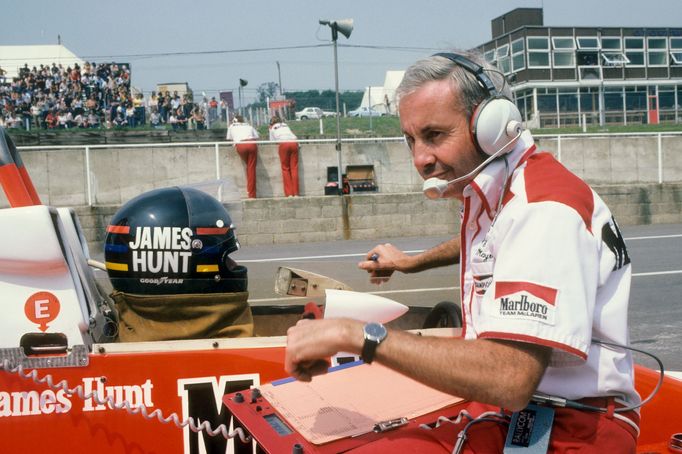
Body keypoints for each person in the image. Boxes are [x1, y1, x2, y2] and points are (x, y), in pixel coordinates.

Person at [285, 51, 640, 452]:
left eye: (434, 135)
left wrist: (354, 335)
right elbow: (494, 244)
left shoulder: (544, 208)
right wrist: (411, 262)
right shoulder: (508, 193)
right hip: (521, 414)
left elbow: (511, 378)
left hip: (571, 427)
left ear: (492, 126)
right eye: (410, 140)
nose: (420, 159)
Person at [226, 115, 259, 198]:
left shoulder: (231, 126)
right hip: (251, 144)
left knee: (248, 168)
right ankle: (252, 194)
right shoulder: (248, 125)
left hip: (241, 145)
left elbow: (229, 138)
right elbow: (257, 136)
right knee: (251, 169)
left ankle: (250, 193)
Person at [269, 116, 300, 197]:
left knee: (285, 169)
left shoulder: (272, 128)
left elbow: (272, 141)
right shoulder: (285, 125)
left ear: (271, 123)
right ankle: (296, 193)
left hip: (284, 144)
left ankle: (289, 193)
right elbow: (293, 135)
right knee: (294, 169)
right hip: (294, 143)